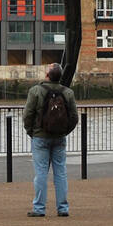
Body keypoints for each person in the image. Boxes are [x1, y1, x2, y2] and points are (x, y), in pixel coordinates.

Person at [22, 63, 79, 217]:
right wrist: (64, 131)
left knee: (41, 173)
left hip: (40, 137)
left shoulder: (35, 91)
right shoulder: (68, 93)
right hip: (59, 137)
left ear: (47, 75)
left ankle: (39, 208)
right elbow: (74, 117)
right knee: (60, 173)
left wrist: (31, 132)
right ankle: (63, 208)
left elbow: (27, 115)